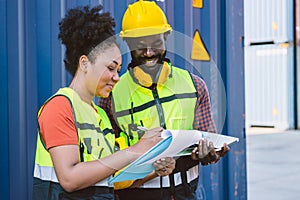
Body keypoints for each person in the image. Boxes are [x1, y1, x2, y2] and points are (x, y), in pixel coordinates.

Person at [32, 5, 176, 200]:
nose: (117, 77)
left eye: (118, 70)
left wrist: (153, 167)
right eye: (110, 68)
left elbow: (112, 180)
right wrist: (135, 150)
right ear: (84, 63)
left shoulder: (100, 115)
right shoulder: (60, 107)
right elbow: (70, 179)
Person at [98, 1, 230, 200]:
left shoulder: (195, 86)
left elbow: (209, 142)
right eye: (140, 46)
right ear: (128, 44)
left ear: (166, 38)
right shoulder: (112, 95)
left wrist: (212, 152)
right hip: (134, 195)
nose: (149, 52)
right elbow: (108, 158)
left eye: (156, 43)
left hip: (185, 194)